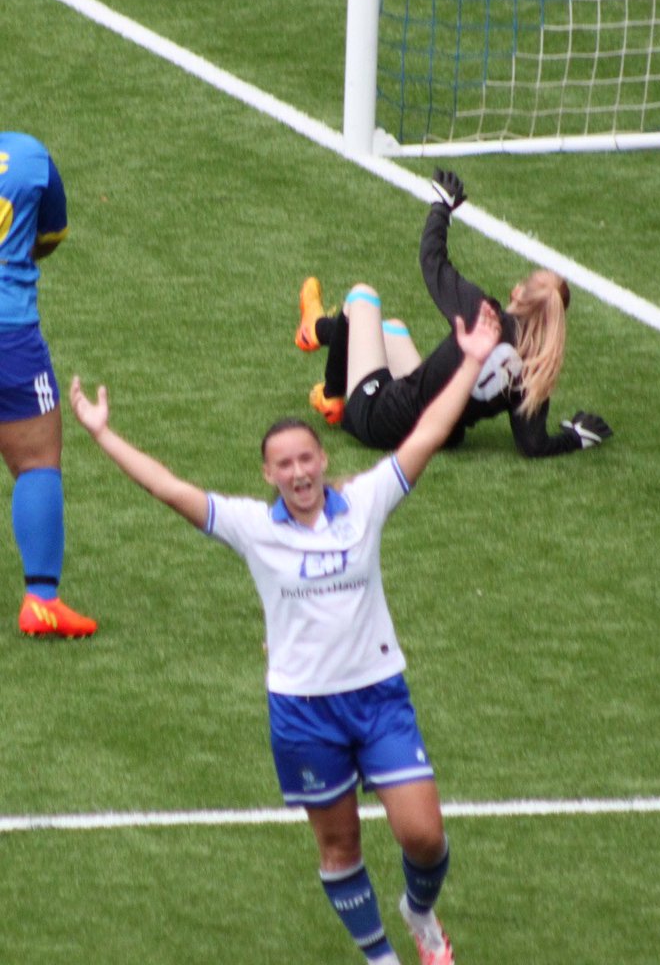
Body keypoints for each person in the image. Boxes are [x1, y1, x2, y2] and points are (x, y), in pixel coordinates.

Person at [70, 300, 503, 965]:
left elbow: (424, 437)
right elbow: (168, 488)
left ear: (322, 460)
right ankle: (383, 960)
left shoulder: (364, 504)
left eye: (307, 458)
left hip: (380, 696)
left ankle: (418, 913)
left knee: (423, 837)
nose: (298, 472)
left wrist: (472, 359)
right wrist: (103, 434)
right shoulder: (251, 526)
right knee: (340, 849)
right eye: (284, 464)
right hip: (302, 712)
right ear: (268, 475)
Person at [296, 168, 612, 458]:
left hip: (380, 421)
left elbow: (433, 261)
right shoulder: (535, 363)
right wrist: (577, 437)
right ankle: (318, 331)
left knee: (363, 297)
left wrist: (441, 208)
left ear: (517, 291)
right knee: (392, 330)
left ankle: (332, 394)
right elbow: (533, 443)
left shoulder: (484, 316)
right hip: (439, 432)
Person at [0, 131, 97, 638]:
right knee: (36, 461)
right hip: (8, 331)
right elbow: (51, 237)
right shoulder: (28, 155)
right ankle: (41, 600)